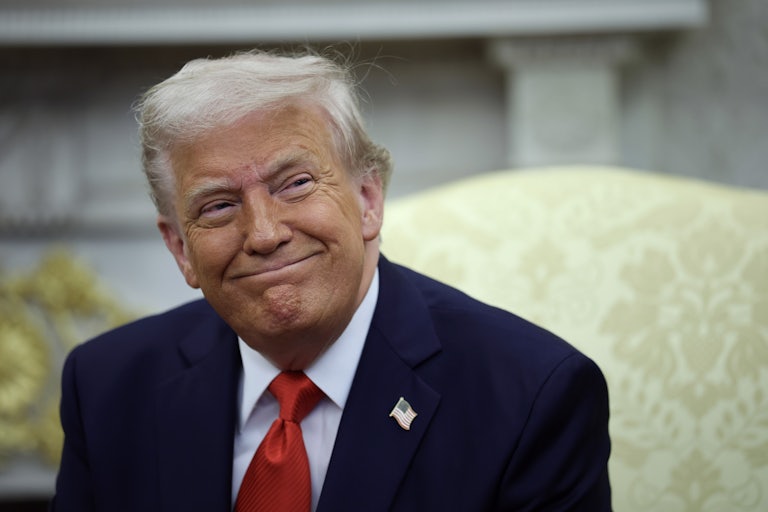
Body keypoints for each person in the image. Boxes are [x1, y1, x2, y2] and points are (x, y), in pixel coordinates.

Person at [50, 49, 611, 511]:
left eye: (294, 184)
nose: (264, 234)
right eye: (218, 207)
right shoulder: (107, 387)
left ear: (368, 200)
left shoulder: (531, 396)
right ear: (180, 248)